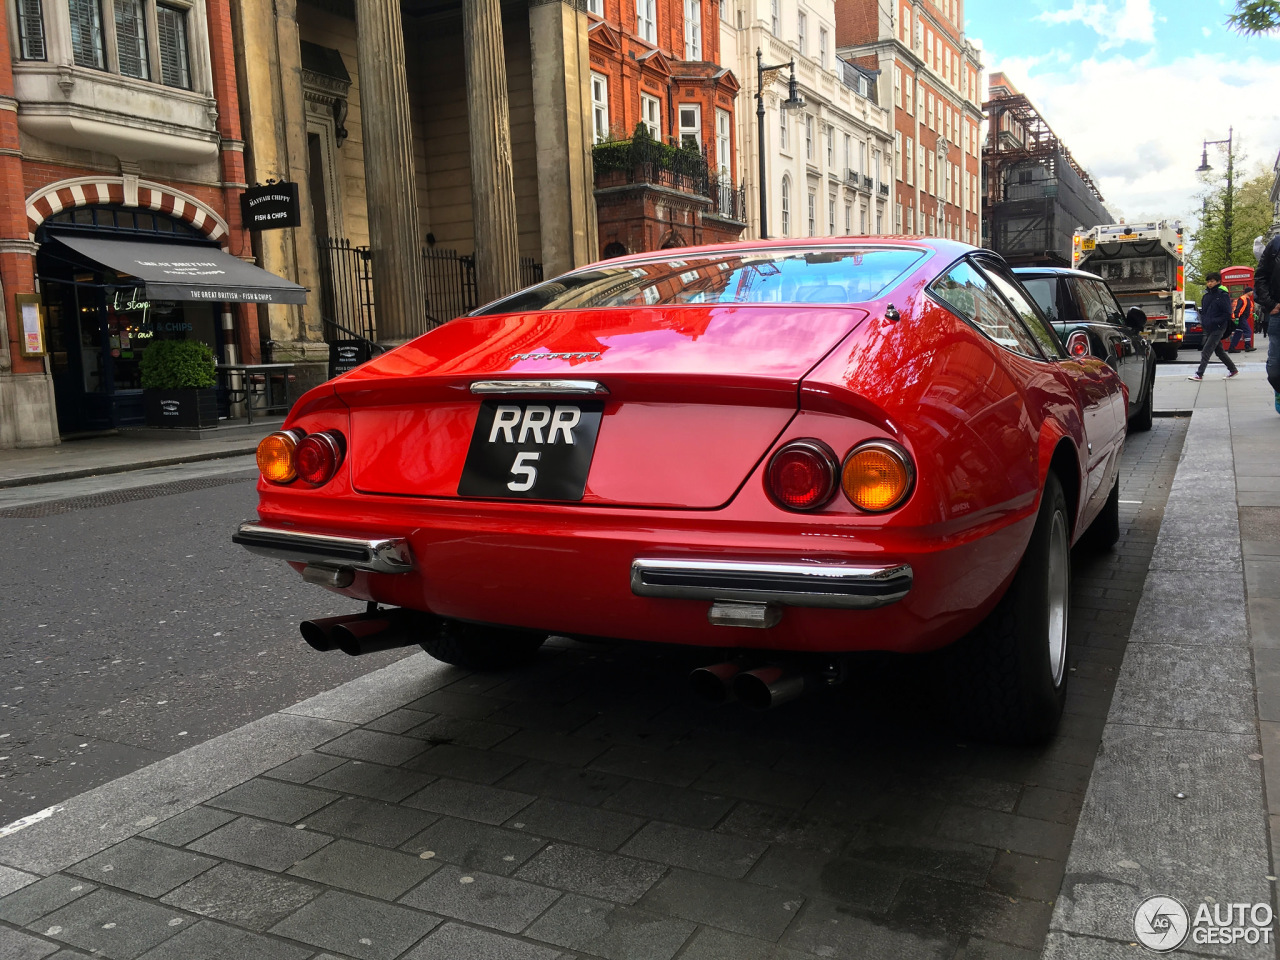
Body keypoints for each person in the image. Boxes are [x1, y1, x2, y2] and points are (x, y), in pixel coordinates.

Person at [1189, 271, 1240, 381]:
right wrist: (1204, 321)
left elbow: (1227, 312)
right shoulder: (1206, 296)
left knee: (1206, 350)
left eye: (1212, 281)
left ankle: (1199, 374)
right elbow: (1204, 312)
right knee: (1219, 351)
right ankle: (1233, 369)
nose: (1209, 284)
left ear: (1218, 282)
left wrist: (1216, 321)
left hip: (1219, 326)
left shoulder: (1223, 295)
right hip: (1209, 327)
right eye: (1208, 281)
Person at [1254, 235, 1280, 412]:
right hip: (1278, 313)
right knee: (1275, 368)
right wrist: (1270, 304)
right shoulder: (1276, 244)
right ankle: (1279, 389)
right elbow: (1261, 276)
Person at [1229, 285, 1257, 352]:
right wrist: (1237, 318)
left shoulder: (1248, 300)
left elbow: (1248, 310)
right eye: (1251, 291)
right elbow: (1238, 309)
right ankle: (1247, 346)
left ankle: (1232, 347)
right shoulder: (1242, 299)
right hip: (1241, 317)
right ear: (1248, 292)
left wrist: (1253, 314)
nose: (1252, 292)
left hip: (1243, 317)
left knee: (1238, 332)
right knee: (1248, 331)